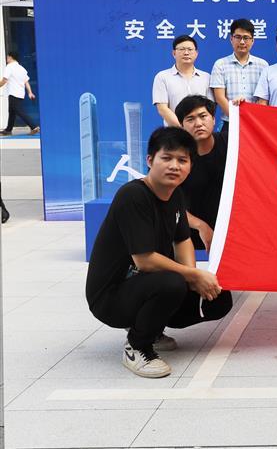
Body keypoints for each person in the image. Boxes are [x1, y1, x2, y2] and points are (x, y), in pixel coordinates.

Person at [85, 126, 233, 378]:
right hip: (110, 297)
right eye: (167, 158)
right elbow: (144, 261)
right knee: (172, 283)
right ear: (150, 160)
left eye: (182, 160)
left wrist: (193, 279)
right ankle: (137, 346)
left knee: (218, 298)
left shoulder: (175, 195)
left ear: (190, 166)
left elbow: (183, 240)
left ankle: (151, 328)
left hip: (143, 285)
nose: (174, 166)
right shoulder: (133, 195)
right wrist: (191, 276)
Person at [174, 96, 226, 251]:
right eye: (190, 119)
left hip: (232, 234)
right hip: (190, 239)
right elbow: (167, 202)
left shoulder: (232, 142)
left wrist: (242, 109)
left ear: (214, 120)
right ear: (182, 126)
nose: (198, 123)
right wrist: (200, 226)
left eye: (203, 116)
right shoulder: (175, 156)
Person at [209, 18, 269, 135]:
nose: (242, 42)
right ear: (231, 39)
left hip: (255, 123)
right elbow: (220, 97)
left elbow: (264, 98)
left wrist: (253, 119)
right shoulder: (220, 64)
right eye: (238, 37)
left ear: (253, 40)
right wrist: (236, 118)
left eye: (246, 38)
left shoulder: (263, 65)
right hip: (229, 123)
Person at [151, 35, 212, 127]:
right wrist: (183, 129)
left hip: (201, 131)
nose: (186, 53)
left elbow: (210, 108)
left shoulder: (206, 77)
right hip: (174, 132)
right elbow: (162, 109)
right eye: (182, 49)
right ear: (174, 53)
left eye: (190, 49)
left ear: (196, 53)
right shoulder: (162, 77)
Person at [0, 51, 38, 135]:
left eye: (7, 57)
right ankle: (8, 130)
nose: (6, 58)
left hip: (13, 93)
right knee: (12, 111)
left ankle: (33, 126)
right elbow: (26, 81)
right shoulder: (21, 68)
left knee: (18, 111)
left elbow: (4, 80)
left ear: (10, 57)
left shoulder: (9, 67)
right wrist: (30, 93)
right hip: (20, 93)